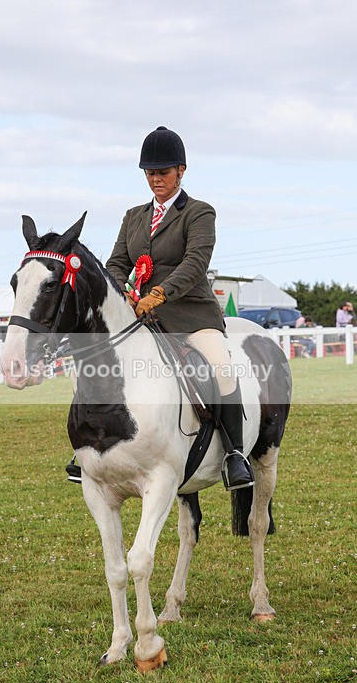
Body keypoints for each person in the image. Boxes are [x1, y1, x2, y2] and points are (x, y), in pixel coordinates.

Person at [106, 126, 254, 490]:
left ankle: (235, 454)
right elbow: (116, 263)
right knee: (103, 369)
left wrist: (158, 293)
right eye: (150, 173)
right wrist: (120, 291)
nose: (156, 179)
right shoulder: (133, 217)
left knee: (220, 367)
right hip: (143, 318)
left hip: (191, 315)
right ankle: (95, 450)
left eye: (164, 172)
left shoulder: (199, 213)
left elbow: (195, 264)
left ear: (181, 171)